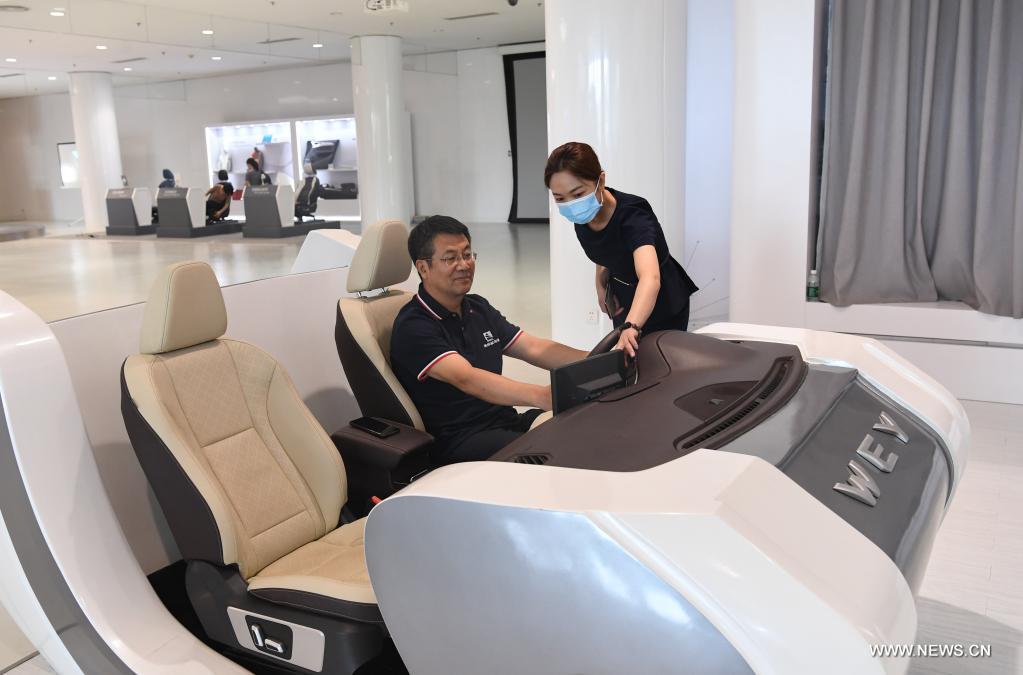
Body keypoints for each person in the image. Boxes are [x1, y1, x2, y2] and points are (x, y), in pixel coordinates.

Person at [390, 216, 589, 465]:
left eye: (467, 255)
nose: (464, 265)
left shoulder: (477, 307)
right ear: (423, 268)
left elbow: (533, 347)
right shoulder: (413, 325)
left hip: (504, 423)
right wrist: (540, 395)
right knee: (562, 453)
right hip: (460, 440)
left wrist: (597, 359)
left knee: (583, 425)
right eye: (451, 258)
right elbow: (466, 378)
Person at [545, 142, 699, 357]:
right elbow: (605, 249)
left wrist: (631, 326)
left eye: (578, 194)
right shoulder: (584, 214)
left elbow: (650, 277)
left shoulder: (634, 216)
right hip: (623, 299)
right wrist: (601, 286)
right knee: (629, 365)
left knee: (660, 363)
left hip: (660, 301)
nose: (571, 204)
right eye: (560, 198)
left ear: (601, 181)